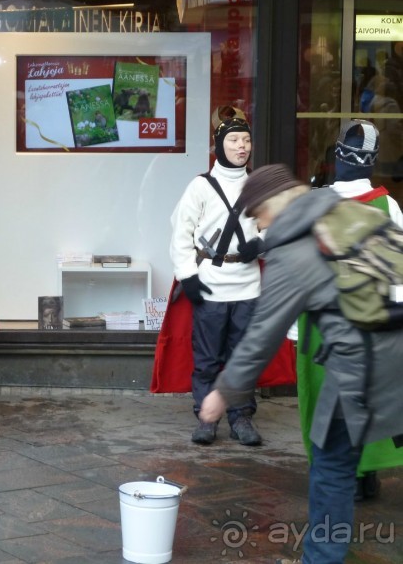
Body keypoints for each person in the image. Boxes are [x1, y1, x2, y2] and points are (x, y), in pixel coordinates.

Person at [200, 164, 403, 564]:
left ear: (271, 204)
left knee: (331, 470)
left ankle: (320, 559)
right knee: (339, 462)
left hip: (360, 366)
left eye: (256, 214)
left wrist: (223, 392)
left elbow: (262, 333)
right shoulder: (348, 211)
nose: (259, 223)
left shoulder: (292, 248)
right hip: (395, 350)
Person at [296, 119, 403, 502]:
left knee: (323, 396)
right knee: (369, 396)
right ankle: (364, 474)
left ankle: (331, 471)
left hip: (320, 322)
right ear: (371, 161)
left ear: (337, 156)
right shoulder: (387, 205)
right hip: (370, 318)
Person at [168, 116, 264, 446]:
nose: (242, 147)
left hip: (248, 284)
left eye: (246, 141)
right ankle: (206, 417)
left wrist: (262, 242)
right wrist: (188, 277)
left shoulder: (258, 184)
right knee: (207, 358)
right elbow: (180, 233)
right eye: (234, 140)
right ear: (219, 144)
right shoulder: (200, 186)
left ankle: (242, 418)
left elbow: (275, 224)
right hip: (210, 282)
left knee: (242, 357)